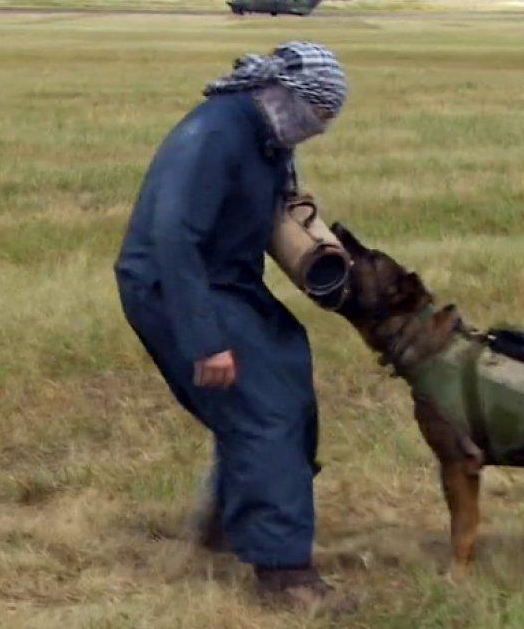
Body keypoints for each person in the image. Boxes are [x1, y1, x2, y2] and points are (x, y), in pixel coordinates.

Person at [113, 42, 351, 611]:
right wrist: (205, 341)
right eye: (319, 114)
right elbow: (174, 240)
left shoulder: (262, 136)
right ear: (289, 96)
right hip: (177, 285)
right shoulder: (215, 134)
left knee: (286, 369)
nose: (320, 127)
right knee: (263, 412)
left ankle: (228, 522)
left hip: (224, 280)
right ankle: (284, 575)